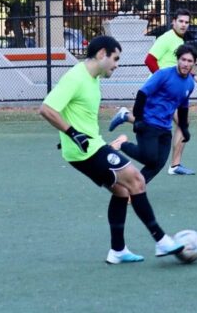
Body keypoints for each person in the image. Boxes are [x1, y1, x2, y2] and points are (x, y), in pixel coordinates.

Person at [39, 35, 185, 265]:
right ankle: (161, 240)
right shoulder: (75, 78)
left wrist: (70, 136)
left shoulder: (93, 78)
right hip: (86, 150)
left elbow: (72, 113)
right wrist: (72, 134)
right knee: (137, 180)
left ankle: (117, 250)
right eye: (115, 59)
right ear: (101, 54)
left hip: (88, 147)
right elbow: (47, 109)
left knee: (122, 192)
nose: (117, 64)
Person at [109, 44, 197, 183]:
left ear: (194, 63)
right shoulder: (163, 74)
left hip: (165, 128)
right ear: (178, 60)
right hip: (148, 122)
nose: (186, 64)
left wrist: (184, 129)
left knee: (158, 163)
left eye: (189, 61)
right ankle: (122, 144)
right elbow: (142, 93)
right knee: (149, 158)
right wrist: (138, 120)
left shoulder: (190, 83)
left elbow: (183, 107)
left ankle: (135, 188)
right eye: (183, 59)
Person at [145, 9, 197, 175]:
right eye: (181, 21)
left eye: (187, 22)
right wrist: (161, 82)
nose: (184, 25)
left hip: (168, 91)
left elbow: (175, 67)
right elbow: (149, 60)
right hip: (160, 91)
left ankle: (175, 165)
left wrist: (193, 77)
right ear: (173, 22)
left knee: (179, 122)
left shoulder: (179, 40)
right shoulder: (167, 38)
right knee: (164, 123)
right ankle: (174, 166)